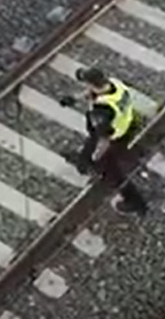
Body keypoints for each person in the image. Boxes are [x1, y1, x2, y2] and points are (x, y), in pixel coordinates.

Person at [59, 67, 149, 216]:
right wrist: (74, 98)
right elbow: (95, 91)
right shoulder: (114, 84)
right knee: (88, 152)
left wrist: (97, 156)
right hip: (127, 125)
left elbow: (103, 140)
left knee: (111, 172)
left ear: (90, 84)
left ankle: (136, 203)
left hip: (113, 137)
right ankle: (84, 162)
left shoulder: (101, 111)